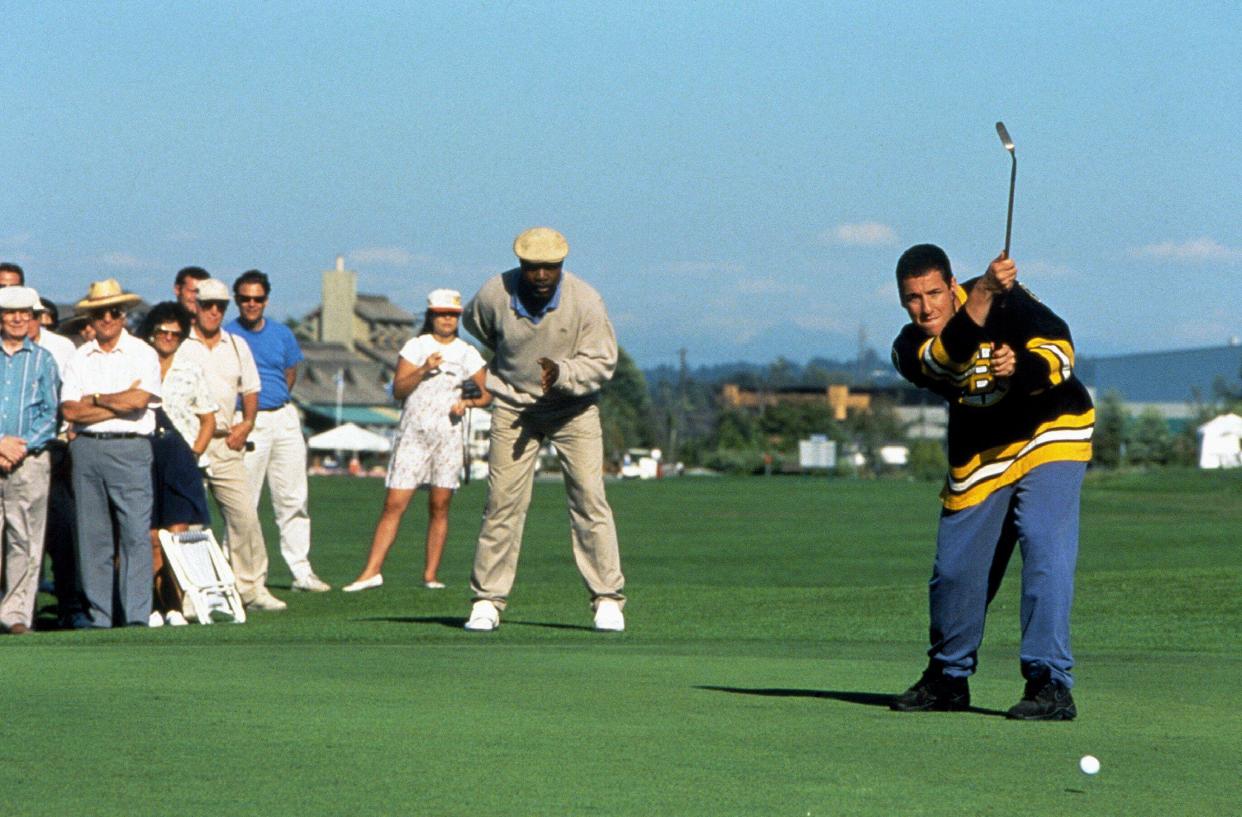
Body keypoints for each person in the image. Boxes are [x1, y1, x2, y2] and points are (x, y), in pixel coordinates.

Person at [887, 245, 1094, 720]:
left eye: (935, 293)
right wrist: (980, 293)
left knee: (1044, 543)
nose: (925, 308)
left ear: (950, 284)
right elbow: (946, 361)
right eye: (912, 298)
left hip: (1051, 432)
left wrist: (1019, 367)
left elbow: (1060, 351)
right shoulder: (907, 348)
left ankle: (1050, 683)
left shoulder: (1011, 301)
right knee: (955, 571)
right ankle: (947, 680)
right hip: (980, 455)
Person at [460, 227, 626, 632]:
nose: (540, 276)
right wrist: (513, 371)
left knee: (589, 498)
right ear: (521, 265)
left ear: (561, 267)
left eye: (549, 269)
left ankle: (607, 598)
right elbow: (477, 325)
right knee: (502, 503)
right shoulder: (494, 294)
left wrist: (563, 373)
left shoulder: (586, 301)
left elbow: (603, 362)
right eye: (533, 268)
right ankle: (487, 600)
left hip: (573, 409)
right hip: (514, 406)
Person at [343, 288, 490, 593]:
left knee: (440, 506)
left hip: (448, 435)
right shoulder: (416, 346)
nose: (447, 320)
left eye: (452, 314)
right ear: (431, 316)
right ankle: (371, 572)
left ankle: (431, 575)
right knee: (394, 503)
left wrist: (468, 403)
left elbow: (487, 393)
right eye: (440, 314)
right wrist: (424, 370)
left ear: (458, 317)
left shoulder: (467, 352)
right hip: (413, 433)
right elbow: (398, 389)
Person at [60, 279, 162, 628]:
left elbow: (140, 401)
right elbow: (71, 411)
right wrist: (117, 402)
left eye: (114, 311)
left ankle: (136, 617)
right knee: (94, 538)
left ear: (124, 315)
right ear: (91, 316)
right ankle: (99, 617)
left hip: (130, 448)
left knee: (135, 534)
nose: (107, 318)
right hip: (87, 449)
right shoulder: (79, 356)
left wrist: (98, 399)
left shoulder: (143, 353)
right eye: (100, 312)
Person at [184, 278, 286, 611]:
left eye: (220, 306)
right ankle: (191, 591)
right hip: (189, 443)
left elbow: (251, 389)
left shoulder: (237, 344)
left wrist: (247, 423)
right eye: (207, 305)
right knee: (191, 522)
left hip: (227, 441)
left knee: (244, 516)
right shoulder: (181, 344)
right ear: (195, 307)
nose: (214, 312)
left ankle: (251, 587)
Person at [228, 270, 329, 592]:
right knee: (244, 500)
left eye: (257, 298)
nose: (251, 304)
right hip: (245, 419)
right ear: (237, 300)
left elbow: (290, 371)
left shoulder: (283, 334)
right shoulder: (227, 334)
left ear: (266, 300)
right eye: (245, 298)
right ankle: (238, 572)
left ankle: (302, 571)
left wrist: (275, 403)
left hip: (283, 417)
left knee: (293, 498)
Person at [140, 302, 217, 626]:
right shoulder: (138, 364)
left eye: (176, 333)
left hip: (180, 458)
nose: (169, 337)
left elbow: (208, 419)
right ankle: (155, 604)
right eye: (163, 331)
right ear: (152, 333)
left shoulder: (191, 370)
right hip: (144, 456)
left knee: (178, 535)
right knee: (152, 537)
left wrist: (194, 454)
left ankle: (175, 602)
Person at [0, 286, 60, 634]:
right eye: (11, 313)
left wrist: (17, 449)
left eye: (26, 313)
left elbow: (50, 415)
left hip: (30, 459)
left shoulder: (43, 360)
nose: (19, 319)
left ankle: (16, 615)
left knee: (25, 538)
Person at [29, 293, 83, 626]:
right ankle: (20, 611)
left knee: (64, 531)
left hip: (59, 449)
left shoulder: (61, 348)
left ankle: (71, 607)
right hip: (15, 450)